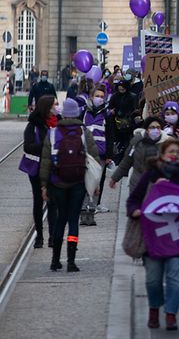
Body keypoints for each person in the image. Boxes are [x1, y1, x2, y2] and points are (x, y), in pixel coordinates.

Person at [128, 135, 179, 331]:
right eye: (170, 152)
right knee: (153, 280)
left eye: (178, 152)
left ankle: (170, 314)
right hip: (153, 238)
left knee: (175, 279)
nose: (174, 155)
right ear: (162, 154)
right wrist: (135, 211)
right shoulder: (151, 174)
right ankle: (154, 309)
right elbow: (134, 199)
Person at [39, 96, 100, 274]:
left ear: (63, 114)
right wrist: (95, 184)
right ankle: (71, 261)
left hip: (57, 183)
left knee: (60, 219)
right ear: (77, 114)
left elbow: (45, 161)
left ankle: (55, 261)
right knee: (73, 220)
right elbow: (94, 159)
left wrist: (43, 185)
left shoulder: (52, 133)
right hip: (78, 183)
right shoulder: (84, 132)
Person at [20, 93, 58, 247]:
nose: (56, 107)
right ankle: (39, 236)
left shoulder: (58, 122)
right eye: (54, 105)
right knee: (38, 201)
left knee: (53, 202)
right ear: (47, 107)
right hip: (36, 169)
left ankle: (53, 236)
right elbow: (27, 147)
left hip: (53, 168)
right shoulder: (33, 125)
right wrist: (46, 144)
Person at [83, 83, 116, 212]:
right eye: (97, 96)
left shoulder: (107, 115)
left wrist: (109, 155)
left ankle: (96, 203)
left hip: (101, 153)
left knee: (98, 179)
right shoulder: (84, 112)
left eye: (102, 97)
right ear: (92, 97)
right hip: (85, 152)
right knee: (85, 178)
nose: (99, 99)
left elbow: (110, 136)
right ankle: (84, 204)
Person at [110, 117, 163, 192]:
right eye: (152, 127)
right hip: (137, 183)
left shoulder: (165, 143)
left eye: (158, 127)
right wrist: (115, 178)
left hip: (156, 186)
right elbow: (127, 161)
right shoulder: (137, 141)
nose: (155, 130)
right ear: (147, 129)